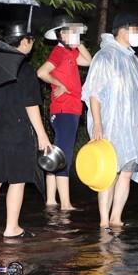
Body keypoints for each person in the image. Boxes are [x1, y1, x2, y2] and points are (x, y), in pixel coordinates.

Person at [82, 13, 138, 228]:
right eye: (137, 29)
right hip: (110, 126)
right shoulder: (104, 56)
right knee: (109, 174)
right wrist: (98, 124)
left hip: (132, 128)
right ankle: (104, 220)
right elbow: (93, 93)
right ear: (124, 30)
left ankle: (116, 217)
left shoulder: (134, 61)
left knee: (126, 173)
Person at [0, 23, 52, 238]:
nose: (33, 44)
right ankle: (11, 228)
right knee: (17, 181)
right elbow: (31, 105)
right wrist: (42, 135)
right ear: (24, 41)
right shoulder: (25, 69)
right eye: (31, 39)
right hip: (17, 132)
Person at [37, 15, 92, 210]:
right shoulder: (59, 52)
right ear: (61, 34)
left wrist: (78, 42)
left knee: (57, 152)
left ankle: (51, 200)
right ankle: (66, 204)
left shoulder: (69, 52)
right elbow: (42, 72)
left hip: (68, 109)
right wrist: (58, 84)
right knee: (64, 155)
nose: (76, 34)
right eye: (72, 31)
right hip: (64, 109)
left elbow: (89, 61)